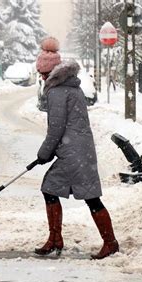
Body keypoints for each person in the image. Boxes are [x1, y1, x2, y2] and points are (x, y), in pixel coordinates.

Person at [34, 37, 119, 259]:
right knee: (56, 189)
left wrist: (44, 153)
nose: (41, 78)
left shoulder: (57, 92)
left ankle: (108, 243)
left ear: (51, 72)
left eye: (43, 74)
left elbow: (56, 128)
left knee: (82, 195)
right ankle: (57, 239)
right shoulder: (70, 87)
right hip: (80, 149)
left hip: (73, 152)